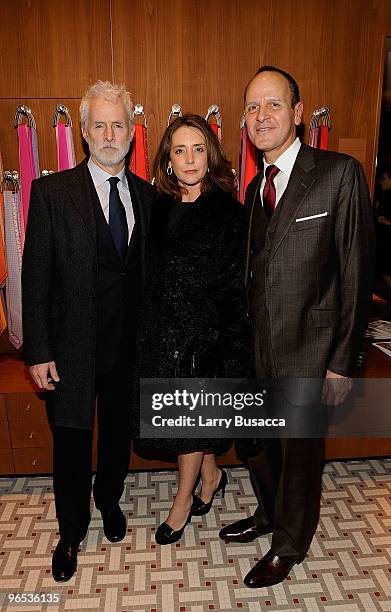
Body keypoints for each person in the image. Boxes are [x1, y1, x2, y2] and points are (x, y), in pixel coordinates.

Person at [219, 66, 374, 588]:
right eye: (252, 107)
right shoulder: (253, 186)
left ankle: (290, 543)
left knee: (301, 456)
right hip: (257, 350)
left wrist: (342, 361)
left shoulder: (338, 173)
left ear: (298, 113)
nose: (261, 116)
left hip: (311, 352)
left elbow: (355, 270)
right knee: (259, 445)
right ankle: (269, 513)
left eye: (273, 104)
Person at [22, 81, 155, 582]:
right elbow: (35, 278)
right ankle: (71, 530)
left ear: (131, 131)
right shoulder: (52, 193)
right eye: (99, 124)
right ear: (83, 131)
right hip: (71, 349)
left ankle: (110, 500)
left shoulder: (147, 196)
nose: (109, 133)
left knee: (118, 435)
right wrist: (38, 350)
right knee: (72, 441)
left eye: (118, 124)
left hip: (128, 347)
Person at [137, 114, 250, 545]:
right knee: (188, 426)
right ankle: (212, 474)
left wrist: (222, 341)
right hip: (161, 334)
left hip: (206, 339)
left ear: (211, 155)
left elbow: (236, 286)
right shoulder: (157, 208)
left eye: (198, 149)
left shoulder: (230, 214)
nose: (189, 159)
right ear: (168, 159)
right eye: (180, 150)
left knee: (187, 423)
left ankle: (181, 503)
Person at [375, 164, 391, 287]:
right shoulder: (384, 196)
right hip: (383, 241)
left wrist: (386, 221)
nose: (381, 182)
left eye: (384, 179)